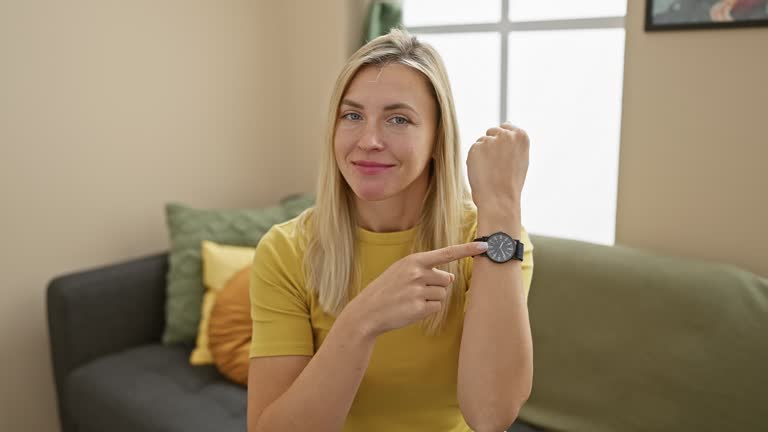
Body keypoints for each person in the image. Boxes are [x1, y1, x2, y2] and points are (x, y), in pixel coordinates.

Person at [246, 28, 535, 432]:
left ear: (438, 138)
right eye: (352, 116)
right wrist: (362, 321)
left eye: (398, 119)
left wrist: (502, 205)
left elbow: (491, 415)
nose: (369, 140)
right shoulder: (285, 251)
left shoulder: (491, 242)